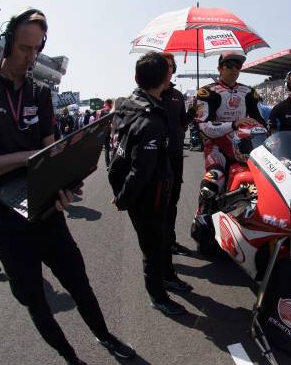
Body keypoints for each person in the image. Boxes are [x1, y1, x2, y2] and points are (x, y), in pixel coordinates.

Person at [0, 8, 135, 364]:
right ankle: (71, 358)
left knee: (81, 286)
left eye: (37, 49)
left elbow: (50, 152)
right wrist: (25, 157)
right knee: (36, 303)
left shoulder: (40, 93)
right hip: (7, 224)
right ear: (6, 44)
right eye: (24, 48)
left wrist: (63, 184)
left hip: (45, 212)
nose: (31, 57)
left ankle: (106, 337)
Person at [108, 52, 192, 316]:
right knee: (153, 247)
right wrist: (123, 198)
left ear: (136, 78)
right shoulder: (151, 119)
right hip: (148, 194)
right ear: (166, 78)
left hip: (151, 188)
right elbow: (140, 170)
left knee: (162, 236)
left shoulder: (126, 104)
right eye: (169, 71)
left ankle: (166, 277)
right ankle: (158, 296)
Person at [194, 51, 265, 215]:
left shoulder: (249, 92)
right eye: (229, 66)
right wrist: (234, 124)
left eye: (238, 66)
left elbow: (261, 121)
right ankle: (202, 219)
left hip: (246, 148)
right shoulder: (205, 93)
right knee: (212, 182)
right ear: (219, 68)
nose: (234, 69)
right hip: (216, 147)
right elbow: (205, 127)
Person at [160, 53, 196, 256]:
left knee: (173, 201)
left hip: (175, 155)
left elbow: (182, 124)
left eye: (171, 66)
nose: (168, 69)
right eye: (164, 66)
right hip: (157, 158)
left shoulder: (177, 95)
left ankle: (170, 241)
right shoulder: (151, 92)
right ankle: (160, 246)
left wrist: (192, 113)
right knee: (159, 204)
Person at [99, 99, 113, 166]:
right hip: (114, 129)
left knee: (107, 147)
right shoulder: (113, 110)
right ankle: (114, 162)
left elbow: (99, 121)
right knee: (116, 146)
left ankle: (108, 164)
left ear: (105, 103)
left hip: (105, 130)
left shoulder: (102, 111)